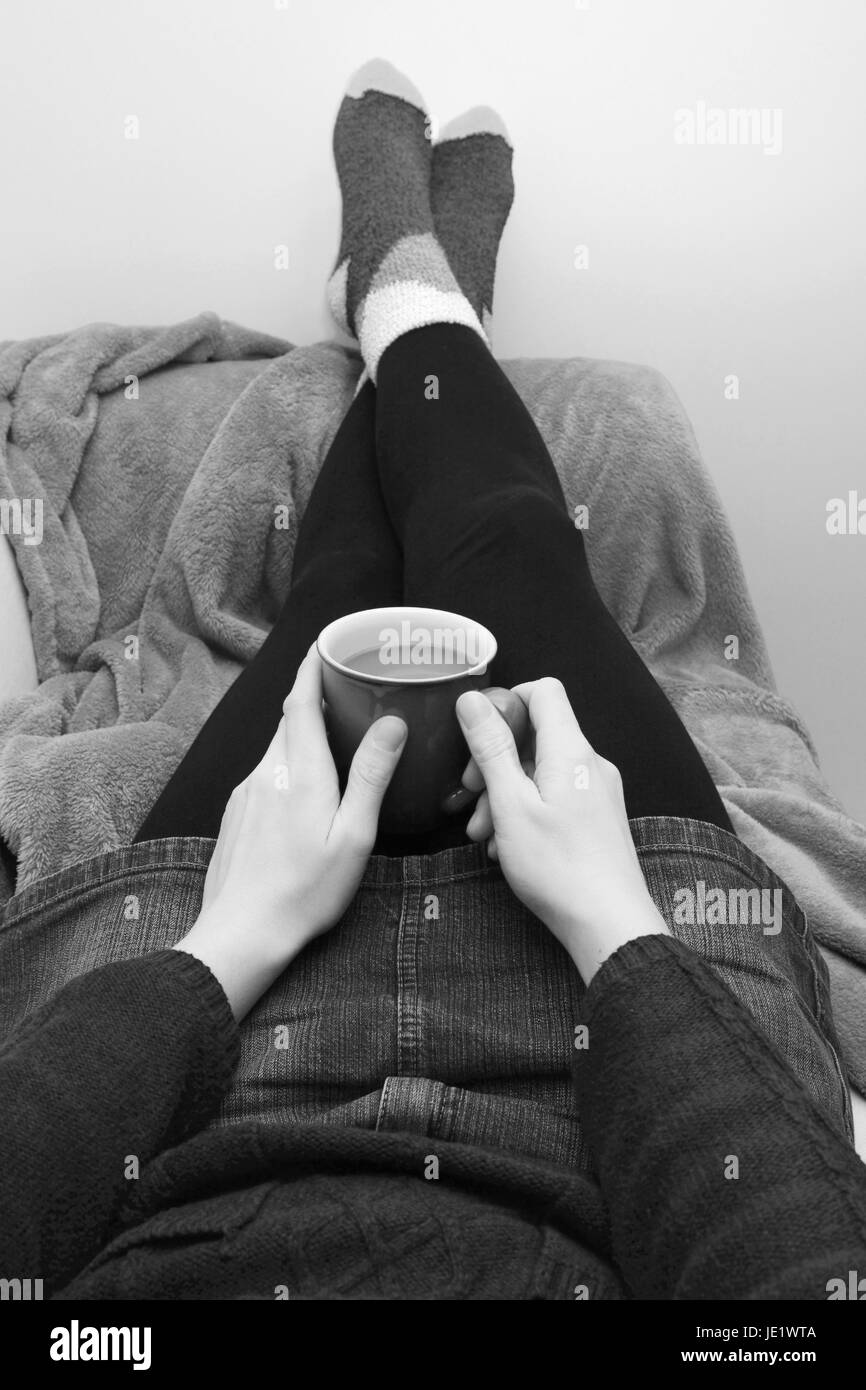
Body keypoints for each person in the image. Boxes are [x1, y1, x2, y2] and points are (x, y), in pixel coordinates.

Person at [1, 60, 864, 1301]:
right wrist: (614, 919)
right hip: (617, 1042)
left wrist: (225, 944)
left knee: (338, 590)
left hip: (186, 1051)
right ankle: (414, 300)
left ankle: (395, 304)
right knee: (509, 542)